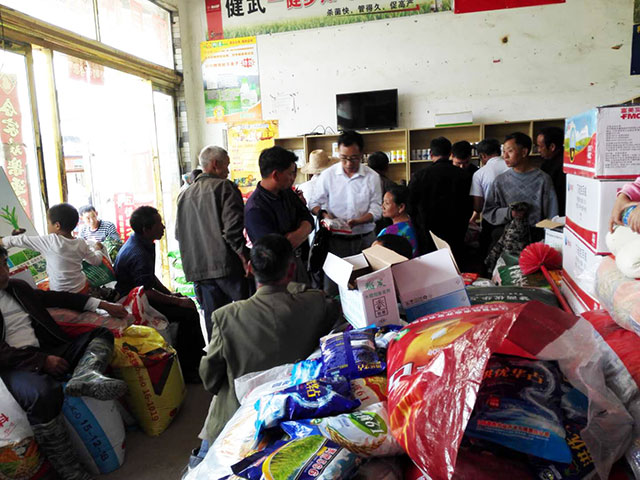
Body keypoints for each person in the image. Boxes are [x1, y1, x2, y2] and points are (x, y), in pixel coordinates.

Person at [0, 245, 128, 480]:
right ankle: (69, 470)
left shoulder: (17, 288)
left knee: (101, 334)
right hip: (15, 365)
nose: (3, 272)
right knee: (43, 394)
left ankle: (86, 375)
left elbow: (58, 297)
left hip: (47, 348)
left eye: (3, 264)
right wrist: (42, 361)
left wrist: (102, 304)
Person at [199, 234, 340, 442]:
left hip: (244, 417)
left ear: (249, 268)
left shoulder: (227, 317)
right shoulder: (316, 303)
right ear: (291, 270)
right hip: (298, 407)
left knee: (219, 402)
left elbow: (210, 379)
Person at [114, 206, 204, 382]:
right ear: (146, 229)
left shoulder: (142, 243)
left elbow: (150, 279)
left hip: (142, 295)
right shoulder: (138, 252)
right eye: (158, 223)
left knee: (187, 303)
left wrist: (171, 295)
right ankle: (188, 368)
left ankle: (197, 357)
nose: (163, 227)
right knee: (187, 312)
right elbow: (146, 291)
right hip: (133, 302)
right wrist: (177, 302)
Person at [176, 146, 249, 339]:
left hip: (198, 269)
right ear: (216, 164)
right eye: (227, 165)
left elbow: (178, 234)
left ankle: (218, 357)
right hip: (226, 265)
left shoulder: (184, 195)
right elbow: (232, 231)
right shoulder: (224, 187)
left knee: (214, 321)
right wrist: (244, 258)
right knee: (246, 315)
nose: (228, 171)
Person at [309, 130, 383, 295]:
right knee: (333, 289)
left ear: (361, 155)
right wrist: (325, 215)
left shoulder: (372, 177)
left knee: (367, 287)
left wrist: (359, 221)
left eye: (354, 158)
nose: (348, 163)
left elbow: (377, 208)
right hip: (335, 241)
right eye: (344, 158)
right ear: (338, 153)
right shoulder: (328, 176)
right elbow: (313, 203)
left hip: (364, 240)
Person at [245, 146, 314, 285]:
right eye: (290, 173)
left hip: (298, 263)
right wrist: (302, 232)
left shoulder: (287, 192)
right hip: (276, 275)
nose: (293, 178)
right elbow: (272, 249)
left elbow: (308, 218)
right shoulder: (255, 208)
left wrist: (297, 234)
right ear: (276, 175)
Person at [1, 203, 104, 293]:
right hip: (81, 288)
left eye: (48, 223)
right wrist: (97, 248)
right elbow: (96, 261)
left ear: (57, 225)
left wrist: (2, 241)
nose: (47, 226)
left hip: (59, 293)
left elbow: (21, 240)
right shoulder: (81, 243)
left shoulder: (51, 241)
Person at [484, 132, 558, 243]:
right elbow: (488, 211)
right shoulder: (500, 181)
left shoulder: (543, 179)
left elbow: (553, 216)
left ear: (524, 152)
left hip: (536, 239)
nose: (505, 156)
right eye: (503, 152)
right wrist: (509, 213)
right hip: (508, 239)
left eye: (510, 151)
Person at [408, 136, 473, 259]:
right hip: (456, 231)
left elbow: (410, 206)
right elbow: (469, 205)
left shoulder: (419, 176)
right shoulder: (464, 175)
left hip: (427, 232)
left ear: (431, 154)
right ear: (450, 154)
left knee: (431, 265)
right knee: (455, 263)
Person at [469, 138, 509, 258]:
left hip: (491, 220)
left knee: (488, 253)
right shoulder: (512, 167)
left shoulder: (479, 174)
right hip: (512, 217)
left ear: (483, 156)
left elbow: (478, 206)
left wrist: (473, 218)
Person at [378, 185, 418, 257]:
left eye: (387, 203)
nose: (382, 206)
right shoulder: (417, 225)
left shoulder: (387, 233)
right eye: (383, 202)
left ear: (401, 207)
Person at [536, 126, 566, 216]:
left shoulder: (562, 166)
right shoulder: (548, 161)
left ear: (552, 147)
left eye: (541, 146)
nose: (538, 150)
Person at [367, 151, 396, 234]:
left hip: (366, 228)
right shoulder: (391, 185)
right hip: (386, 227)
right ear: (386, 167)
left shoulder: (361, 184)